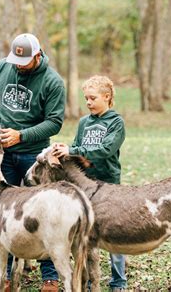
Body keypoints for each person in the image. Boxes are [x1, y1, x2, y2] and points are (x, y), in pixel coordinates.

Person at [0, 33, 65, 292]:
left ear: (37, 56)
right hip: (2, 155)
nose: (18, 65)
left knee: (42, 214)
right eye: (16, 60)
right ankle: (5, 273)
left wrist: (22, 135)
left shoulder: (53, 82)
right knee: (2, 213)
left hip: (33, 155)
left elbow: (55, 121)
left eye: (24, 61)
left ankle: (49, 275)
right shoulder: (5, 66)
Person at [52, 75, 127, 291]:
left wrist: (74, 150)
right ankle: (84, 280)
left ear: (107, 97)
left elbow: (106, 150)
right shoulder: (84, 122)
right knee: (84, 234)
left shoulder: (116, 122)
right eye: (86, 98)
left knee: (113, 233)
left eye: (93, 98)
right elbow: (76, 147)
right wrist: (63, 150)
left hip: (109, 185)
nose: (88, 102)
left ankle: (118, 281)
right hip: (85, 186)